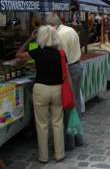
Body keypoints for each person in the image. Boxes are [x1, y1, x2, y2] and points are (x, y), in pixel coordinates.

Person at [16, 26, 66, 163]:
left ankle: (43, 156)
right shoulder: (61, 53)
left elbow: (18, 55)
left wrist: (30, 39)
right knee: (57, 122)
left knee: (42, 124)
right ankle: (59, 154)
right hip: (57, 89)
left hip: (41, 89)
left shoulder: (37, 51)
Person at [46, 14, 83, 151]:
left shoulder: (60, 35)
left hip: (69, 70)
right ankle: (78, 138)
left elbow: (63, 61)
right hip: (77, 66)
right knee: (75, 103)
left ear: (52, 25)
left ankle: (69, 143)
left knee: (67, 105)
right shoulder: (70, 30)